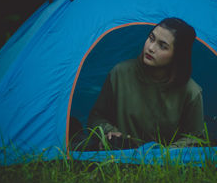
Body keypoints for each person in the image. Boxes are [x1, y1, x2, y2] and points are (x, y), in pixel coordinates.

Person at [87, 18, 204, 149]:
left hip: (164, 165)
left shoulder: (191, 92)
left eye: (162, 46)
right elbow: (96, 117)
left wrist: (164, 154)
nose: (151, 48)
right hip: (120, 157)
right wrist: (111, 132)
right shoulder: (120, 74)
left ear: (177, 55)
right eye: (151, 38)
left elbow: (195, 138)